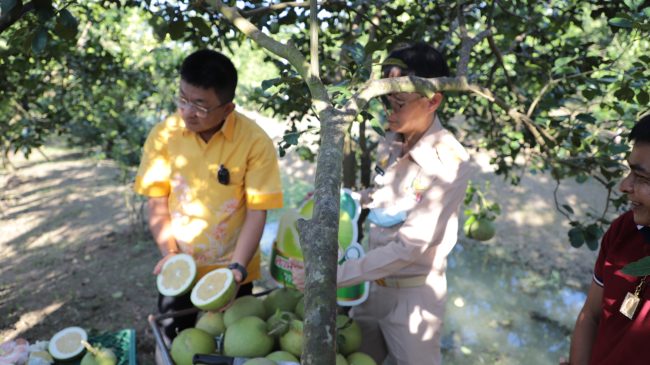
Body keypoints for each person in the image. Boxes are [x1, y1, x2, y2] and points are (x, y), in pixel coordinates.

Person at [293, 43, 473, 365]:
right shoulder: (392, 139)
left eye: (399, 101)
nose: (390, 109)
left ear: (433, 100)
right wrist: (345, 198)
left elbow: (409, 249)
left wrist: (331, 275)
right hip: (371, 286)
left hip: (415, 299)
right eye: (387, 98)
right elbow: (382, 196)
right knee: (357, 358)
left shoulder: (450, 163)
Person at [133, 49, 283, 355]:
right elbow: (157, 200)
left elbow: (257, 212)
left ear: (227, 107)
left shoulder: (254, 142)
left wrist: (237, 269)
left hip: (232, 268)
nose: (187, 112)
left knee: (236, 346)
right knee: (175, 343)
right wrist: (171, 256)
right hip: (180, 268)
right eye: (183, 99)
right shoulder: (164, 136)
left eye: (200, 106)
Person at [562, 115, 650, 365]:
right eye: (630, 172)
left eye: (642, 178)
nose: (624, 186)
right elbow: (591, 315)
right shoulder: (625, 230)